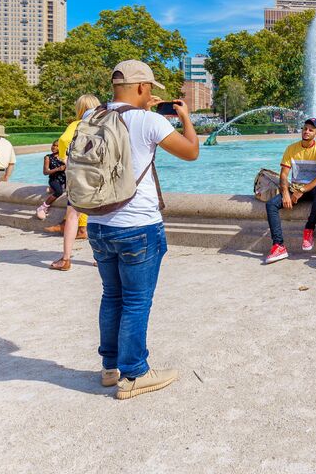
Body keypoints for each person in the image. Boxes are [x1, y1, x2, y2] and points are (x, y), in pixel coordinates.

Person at [83, 60, 199, 400]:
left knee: (111, 296)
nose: (151, 95)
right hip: (138, 225)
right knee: (136, 301)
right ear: (139, 88)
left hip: (99, 224)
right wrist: (185, 118)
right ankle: (134, 373)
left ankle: (110, 367)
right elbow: (191, 152)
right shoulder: (149, 120)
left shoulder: (91, 118)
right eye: (149, 89)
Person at [44, 94, 100, 271]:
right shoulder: (104, 124)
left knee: (72, 216)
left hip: (78, 175)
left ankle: (66, 259)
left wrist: (64, 158)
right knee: (100, 216)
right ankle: (101, 257)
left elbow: (63, 140)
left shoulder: (76, 124)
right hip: (99, 174)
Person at [264, 117, 316, 264]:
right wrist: (286, 193)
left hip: (311, 189)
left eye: (310, 130)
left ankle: (309, 230)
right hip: (294, 189)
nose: (306, 131)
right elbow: (284, 174)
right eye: (305, 128)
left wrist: (303, 190)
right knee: (271, 205)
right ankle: (278, 245)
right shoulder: (291, 148)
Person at [34, 141, 67, 217]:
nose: (54, 147)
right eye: (53, 145)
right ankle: (43, 207)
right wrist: (58, 169)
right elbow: (45, 172)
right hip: (54, 179)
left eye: (57, 146)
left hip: (65, 180)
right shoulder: (48, 157)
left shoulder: (65, 157)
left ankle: (52, 189)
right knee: (59, 192)